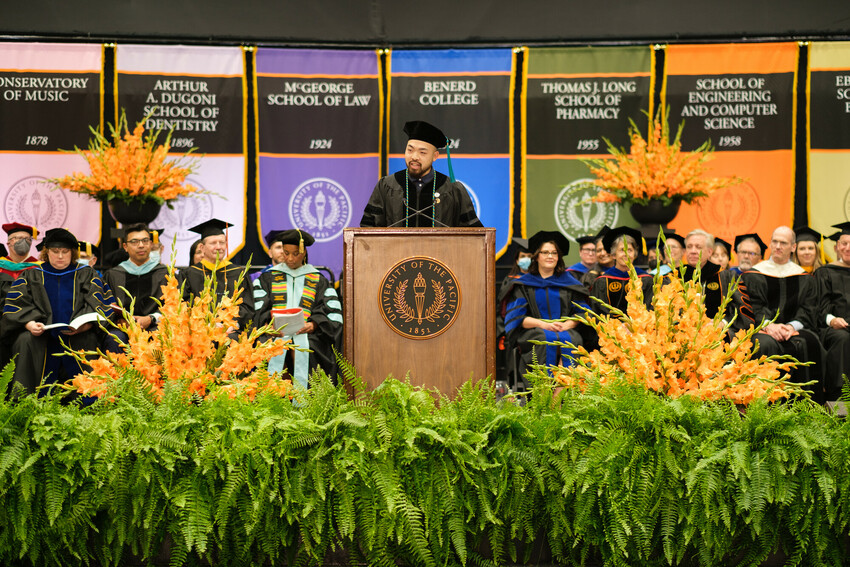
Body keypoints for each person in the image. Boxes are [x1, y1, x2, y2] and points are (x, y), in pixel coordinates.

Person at [1, 228, 114, 394]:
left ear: (72, 252)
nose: (60, 256)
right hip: (41, 336)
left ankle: (88, 399)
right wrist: (30, 324)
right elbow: (15, 305)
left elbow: (100, 305)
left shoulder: (87, 274)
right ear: (46, 252)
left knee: (89, 340)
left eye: (65, 251)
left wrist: (85, 326)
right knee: (25, 340)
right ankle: (25, 399)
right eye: (55, 251)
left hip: (79, 335)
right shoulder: (32, 275)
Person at [738, 226, 824, 400]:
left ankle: (807, 405)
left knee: (810, 342)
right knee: (764, 344)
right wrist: (769, 326)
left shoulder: (804, 277)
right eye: (775, 241)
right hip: (763, 328)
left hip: (793, 329)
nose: (778, 246)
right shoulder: (754, 275)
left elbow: (808, 309)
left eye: (783, 243)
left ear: (793, 247)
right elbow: (754, 306)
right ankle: (765, 403)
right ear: (770, 243)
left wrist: (791, 327)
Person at [253, 229, 342, 390]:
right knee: (270, 348)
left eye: (295, 254)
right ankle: (273, 397)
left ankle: (305, 400)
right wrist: (268, 326)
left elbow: (332, 313)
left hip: (309, 334)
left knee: (307, 348)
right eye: (286, 253)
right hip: (274, 334)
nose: (290, 258)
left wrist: (313, 324)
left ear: (304, 252)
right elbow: (257, 308)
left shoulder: (318, 279)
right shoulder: (267, 277)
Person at [360, 120, 482, 228]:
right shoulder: (386, 185)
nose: (414, 157)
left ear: (435, 156)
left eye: (422, 152)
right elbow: (368, 229)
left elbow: (473, 234)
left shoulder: (453, 189)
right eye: (410, 150)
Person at [504, 231, 593, 378]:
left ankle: (562, 388)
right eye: (545, 252)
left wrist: (567, 324)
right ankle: (545, 388)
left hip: (565, 329)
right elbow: (517, 317)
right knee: (545, 339)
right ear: (536, 256)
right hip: (536, 330)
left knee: (572, 340)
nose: (550, 256)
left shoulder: (569, 283)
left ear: (558, 257)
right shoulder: (524, 284)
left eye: (554, 253)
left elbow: (583, 312)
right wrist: (543, 324)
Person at [180, 219, 254, 333]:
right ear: (202, 247)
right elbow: (183, 305)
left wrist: (232, 324)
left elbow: (247, 307)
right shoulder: (189, 274)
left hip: (232, 332)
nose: (218, 247)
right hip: (199, 332)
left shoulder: (238, 273)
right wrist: (205, 323)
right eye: (213, 243)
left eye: (222, 242)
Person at [104, 224, 168, 332]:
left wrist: (152, 318)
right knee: (113, 338)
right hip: (122, 329)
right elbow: (105, 305)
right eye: (134, 242)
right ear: (125, 247)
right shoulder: (113, 275)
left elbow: (173, 306)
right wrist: (118, 319)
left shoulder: (165, 273)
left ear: (151, 244)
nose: (141, 245)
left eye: (145, 241)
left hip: (156, 327)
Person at [813, 222, 850, 400]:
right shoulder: (825, 272)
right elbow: (819, 306)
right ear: (836, 247)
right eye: (844, 243)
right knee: (842, 338)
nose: (848, 248)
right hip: (833, 327)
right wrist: (832, 320)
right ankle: (839, 396)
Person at [590, 226, 653, 317]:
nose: (626, 254)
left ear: (635, 254)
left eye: (630, 250)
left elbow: (650, 309)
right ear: (613, 255)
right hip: (611, 325)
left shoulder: (646, 280)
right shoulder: (603, 281)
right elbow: (599, 311)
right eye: (622, 250)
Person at [681, 229, 736, 320]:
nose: (693, 251)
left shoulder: (726, 276)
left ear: (710, 252)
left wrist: (723, 322)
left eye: (698, 247)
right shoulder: (675, 276)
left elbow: (738, 307)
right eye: (689, 247)